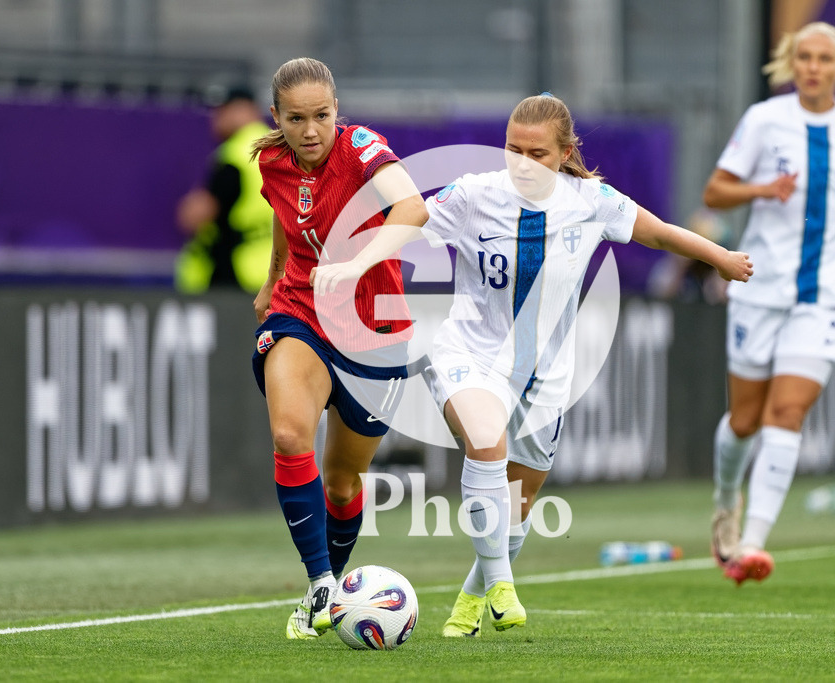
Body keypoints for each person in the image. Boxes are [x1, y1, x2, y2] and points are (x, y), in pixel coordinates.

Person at [312, 92, 752, 635]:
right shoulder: (475, 194)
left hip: (545, 375)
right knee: (485, 438)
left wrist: (721, 258)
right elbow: (411, 225)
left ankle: (474, 597)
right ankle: (502, 585)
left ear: (565, 152)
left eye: (537, 153)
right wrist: (355, 262)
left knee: (517, 508)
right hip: (467, 351)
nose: (521, 162)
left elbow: (659, 231)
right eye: (512, 149)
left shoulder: (591, 201)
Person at [703, 22, 835, 586]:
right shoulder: (765, 119)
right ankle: (727, 503)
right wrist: (761, 190)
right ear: (792, 64)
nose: (813, 67)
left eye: (824, 59)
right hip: (759, 291)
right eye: (805, 57)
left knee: (786, 413)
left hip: (821, 298)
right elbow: (714, 191)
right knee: (744, 421)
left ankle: (752, 544)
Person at [248, 57, 428, 640]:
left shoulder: (362, 148)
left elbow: (413, 208)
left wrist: (357, 264)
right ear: (277, 116)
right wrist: (272, 278)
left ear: (336, 111)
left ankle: (330, 588)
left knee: (344, 481)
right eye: (296, 118)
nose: (310, 131)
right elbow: (284, 213)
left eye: (321, 115)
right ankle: (322, 582)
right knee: (288, 434)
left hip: (374, 333)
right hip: (300, 311)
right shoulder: (273, 160)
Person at [175, 87, 275, 294]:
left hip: (237, 272)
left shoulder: (235, 155)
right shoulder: (280, 148)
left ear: (240, 110)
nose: (215, 119)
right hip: (275, 271)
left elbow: (196, 217)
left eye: (220, 111)